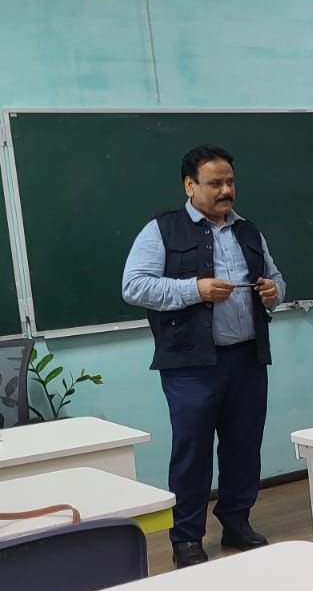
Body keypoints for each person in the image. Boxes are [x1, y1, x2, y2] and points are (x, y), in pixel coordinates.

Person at [121, 145, 284, 568]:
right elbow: (134, 286)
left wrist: (274, 292)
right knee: (192, 452)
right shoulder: (161, 231)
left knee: (243, 447)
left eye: (229, 182)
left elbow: (276, 279)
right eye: (215, 183)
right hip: (191, 364)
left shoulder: (248, 231)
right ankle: (187, 538)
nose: (225, 190)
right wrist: (195, 289)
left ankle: (236, 522)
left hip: (247, 358)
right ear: (190, 186)